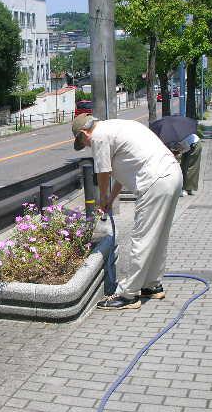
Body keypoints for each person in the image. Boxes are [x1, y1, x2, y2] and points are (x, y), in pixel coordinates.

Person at [71, 114, 182, 310]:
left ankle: (128, 295)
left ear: (84, 133)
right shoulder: (117, 128)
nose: (88, 147)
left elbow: (103, 172)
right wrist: (112, 199)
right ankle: (152, 285)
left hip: (154, 181)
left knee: (142, 238)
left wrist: (103, 197)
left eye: (84, 143)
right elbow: (122, 174)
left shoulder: (98, 136)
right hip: (172, 174)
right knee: (158, 236)